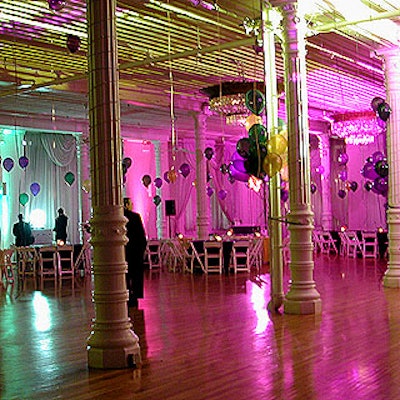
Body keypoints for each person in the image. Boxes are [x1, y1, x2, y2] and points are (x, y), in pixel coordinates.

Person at [123, 197, 147, 308]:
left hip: (123, 253)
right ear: (127, 204)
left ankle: (125, 295)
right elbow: (142, 237)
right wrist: (142, 251)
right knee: (136, 276)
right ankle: (135, 296)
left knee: (125, 277)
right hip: (135, 252)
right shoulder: (135, 217)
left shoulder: (118, 218)